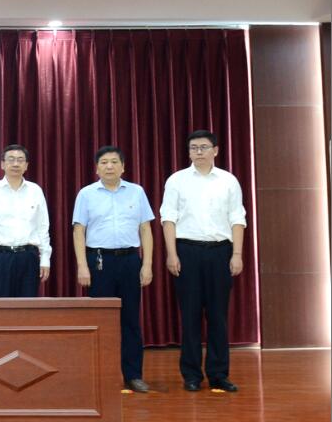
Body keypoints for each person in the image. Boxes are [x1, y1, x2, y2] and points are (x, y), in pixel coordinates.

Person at [160, 130, 247, 393]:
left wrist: (237, 254)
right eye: (193, 148)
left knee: (218, 316)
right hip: (187, 252)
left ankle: (219, 374)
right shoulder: (177, 180)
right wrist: (172, 254)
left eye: (204, 147)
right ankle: (191, 375)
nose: (198, 152)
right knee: (190, 315)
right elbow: (168, 218)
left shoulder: (228, 181)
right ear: (188, 152)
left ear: (215, 150)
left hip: (221, 252)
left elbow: (237, 218)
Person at [72, 145, 155, 393]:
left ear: (123, 166)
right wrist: (82, 266)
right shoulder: (86, 194)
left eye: (114, 162)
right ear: (97, 168)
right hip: (99, 262)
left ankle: (133, 375)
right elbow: (79, 231)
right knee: (101, 321)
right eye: (104, 162)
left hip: (130, 261)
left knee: (131, 320)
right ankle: (102, 376)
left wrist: (147, 264)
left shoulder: (137, 192)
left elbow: (145, 229)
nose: (109, 166)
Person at [0, 144, 51, 297]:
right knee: (1, 306)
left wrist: (45, 259)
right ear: (2, 164)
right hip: (0, 257)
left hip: (29, 257)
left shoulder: (35, 191)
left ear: (26, 165)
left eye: (20, 160)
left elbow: (42, 228)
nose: (16, 164)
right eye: (11, 159)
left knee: (28, 306)